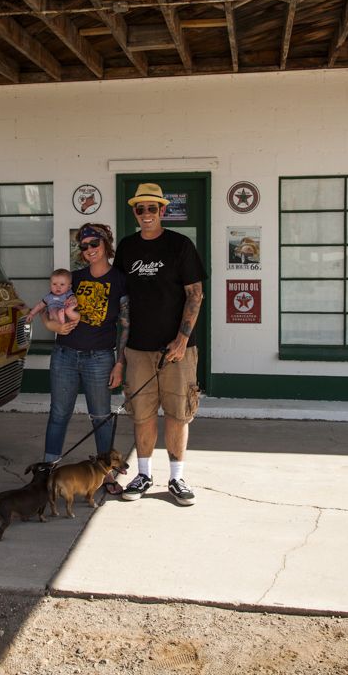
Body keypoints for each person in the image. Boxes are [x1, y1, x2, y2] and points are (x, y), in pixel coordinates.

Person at [114, 183, 205, 506]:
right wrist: (121, 353)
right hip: (138, 348)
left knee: (178, 412)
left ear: (163, 211)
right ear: (135, 213)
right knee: (143, 414)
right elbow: (121, 300)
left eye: (153, 208)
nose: (147, 214)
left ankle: (177, 477)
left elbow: (195, 293)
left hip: (177, 348)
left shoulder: (180, 245)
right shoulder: (126, 248)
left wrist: (182, 339)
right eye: (141, 209)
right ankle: (143, 473)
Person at [42, 224, 129, 484]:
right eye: (84, 246)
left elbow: (126, 324)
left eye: (94, 243)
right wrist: (55, 326)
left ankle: (108, 476)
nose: (89, 249)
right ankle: (46, 472)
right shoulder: (74, 278)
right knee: (58, 414)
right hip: (65, 354)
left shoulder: (120, 280)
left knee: (101, 417)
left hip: (100, 357)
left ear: (105, 244)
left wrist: (120, 363)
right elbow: (48, 314)